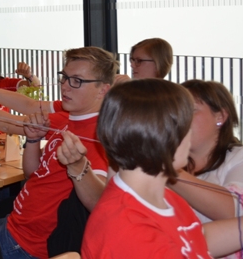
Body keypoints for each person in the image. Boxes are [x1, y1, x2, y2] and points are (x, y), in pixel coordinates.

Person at [0, 46, 117, 258]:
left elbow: (99, 202)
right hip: (16, 224)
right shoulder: (68, 116)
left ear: (103, 89)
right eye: (64, 77)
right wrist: (32, 140)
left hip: (28, 243)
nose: (65, 86)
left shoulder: (98, 135)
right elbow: (33, 172)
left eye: (77, 81)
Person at [81, 79, 241, 258]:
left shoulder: (165, 199)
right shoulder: (128, 229)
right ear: (160, 136)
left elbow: (194, 239)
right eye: (184, 126)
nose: (189, 134)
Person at [170, 80, 243, 258]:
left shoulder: (237, 157)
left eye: (190, 110)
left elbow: (234, 210)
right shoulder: (173, 161)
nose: (180, 118)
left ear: (220, 117)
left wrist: (166, 172)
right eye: (176, 111)